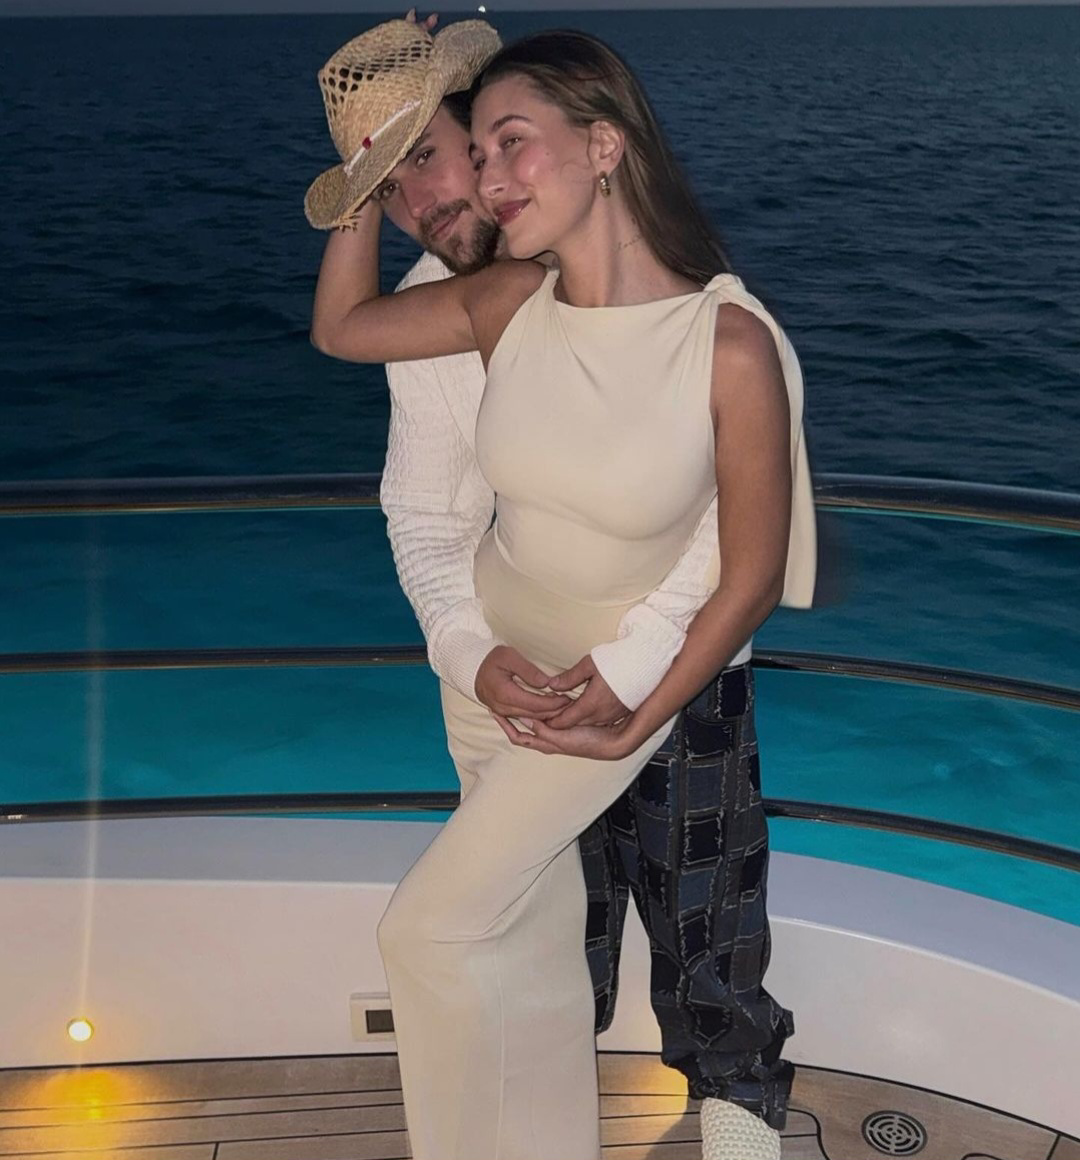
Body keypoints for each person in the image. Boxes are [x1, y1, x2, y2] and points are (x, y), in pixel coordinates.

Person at [307, 18, 816, 1160]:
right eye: (389, 187)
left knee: (703, 927)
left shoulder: (722, 333)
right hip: (507, 685)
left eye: (442, 155)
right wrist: (470, 653)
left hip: (667, 666)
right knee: (538, 948)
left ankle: (740, 1127)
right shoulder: (478, 301)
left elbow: (731, 551)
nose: (433, 197)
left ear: (598, 145)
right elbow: (425, 510)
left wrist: (637, 681)